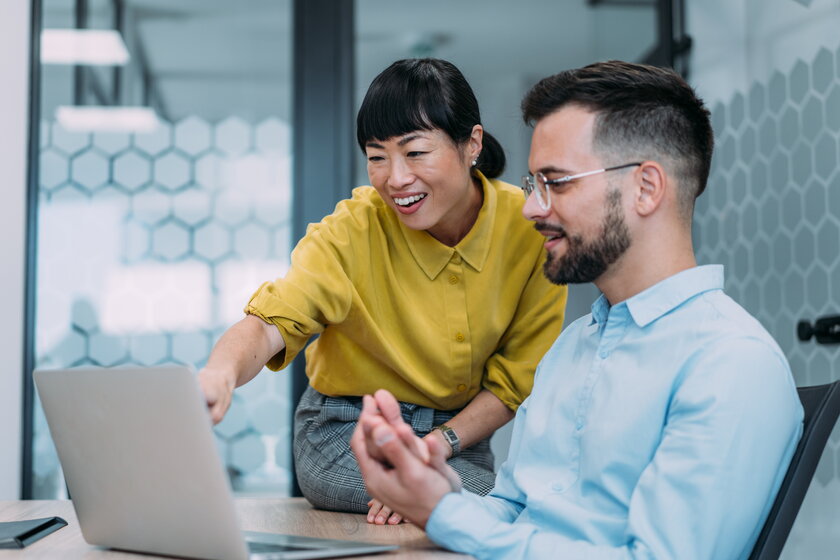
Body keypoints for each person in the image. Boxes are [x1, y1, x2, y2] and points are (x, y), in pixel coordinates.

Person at [352, 60, 804, 558]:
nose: (531, 209)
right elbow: (513, 511)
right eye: (534, 184)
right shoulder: (573, 348)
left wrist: (446, 513)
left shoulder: (731, 364)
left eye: (557, 183)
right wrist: (426, 489)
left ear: (646, 188)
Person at [197, 58, 567, 524]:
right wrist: (220, 372)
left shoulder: (530, 229)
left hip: (459, 441)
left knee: (497, 504)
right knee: (498, 508)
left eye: (415, 153)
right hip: (345, 433)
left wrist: (431, 452)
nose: (395, 179)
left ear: (471, 143)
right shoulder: (352, 229)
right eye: (377, 156)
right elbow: (273, 321)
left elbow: (515, 382)